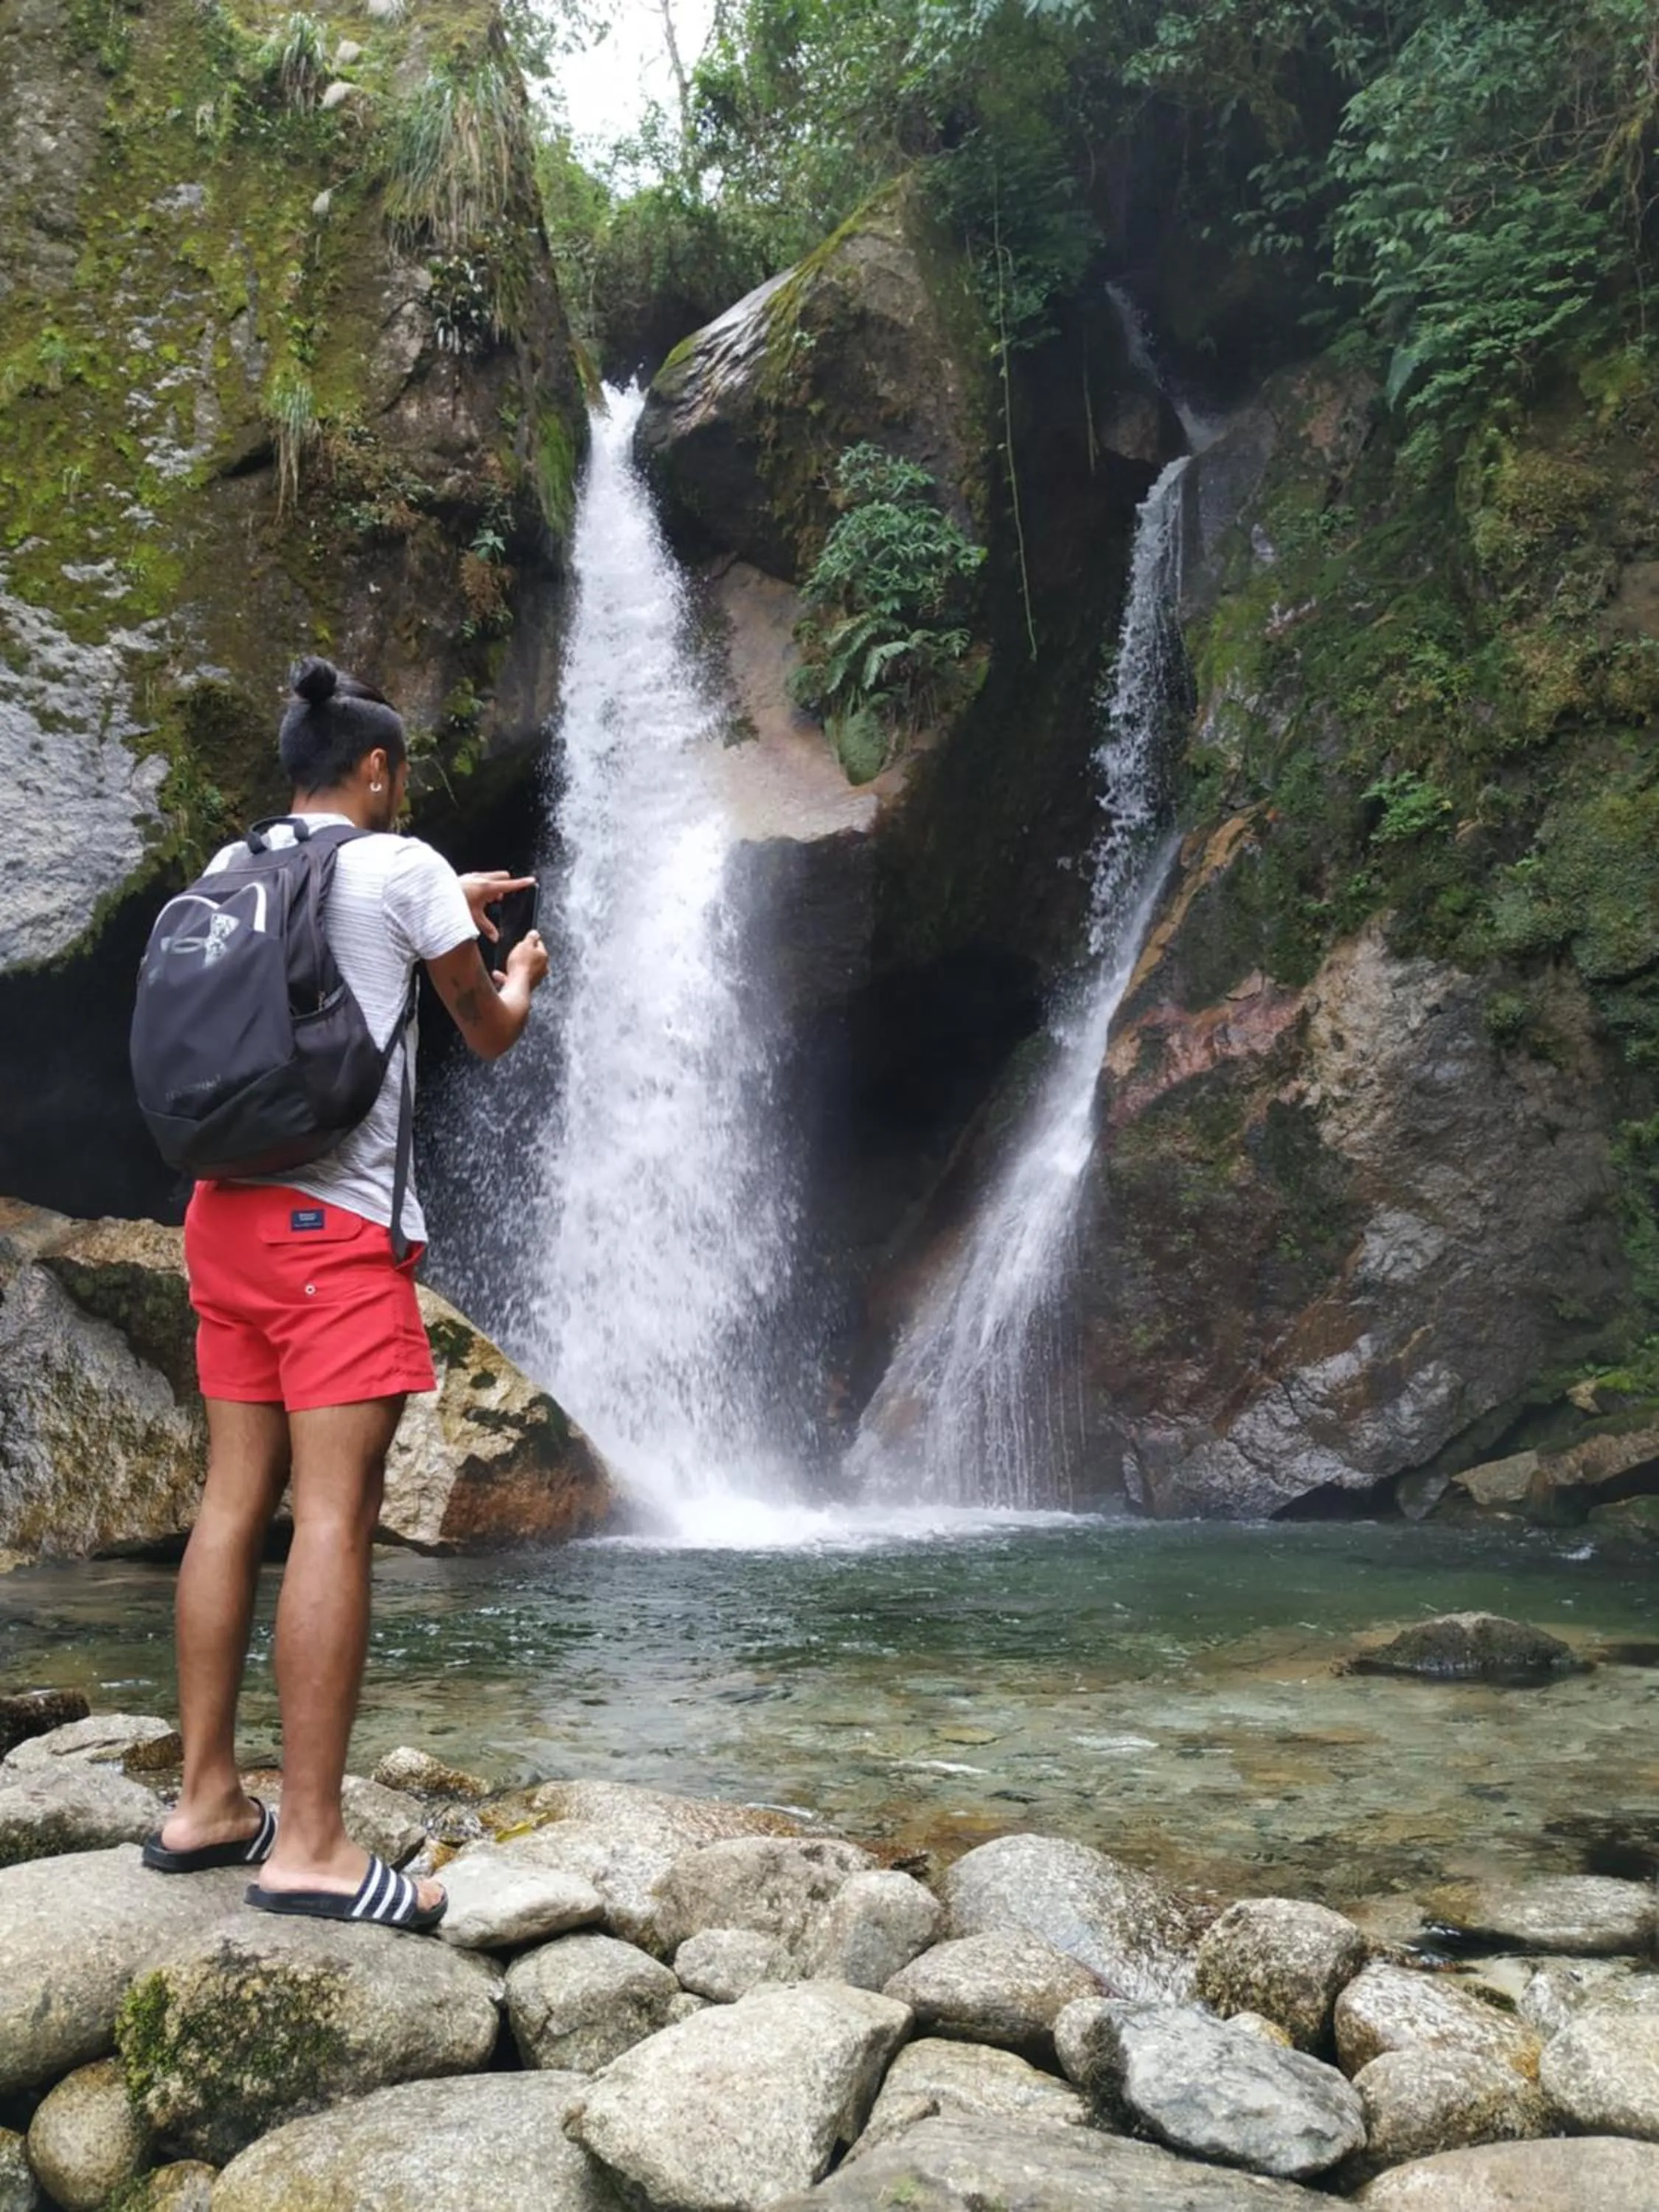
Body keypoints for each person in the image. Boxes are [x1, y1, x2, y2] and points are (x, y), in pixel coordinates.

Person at [141, 656, 547, 1933]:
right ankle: (312, 1845)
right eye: (401, 773)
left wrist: (442, 896)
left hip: (224, 1221)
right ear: (377, 772)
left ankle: (205, 1803)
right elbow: (483, 1029)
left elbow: (347, 925)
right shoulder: (402, 862)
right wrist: (518, 969)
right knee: (333, 1523)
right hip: (335, 1239)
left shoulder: (234, 865)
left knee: (228, 1507)